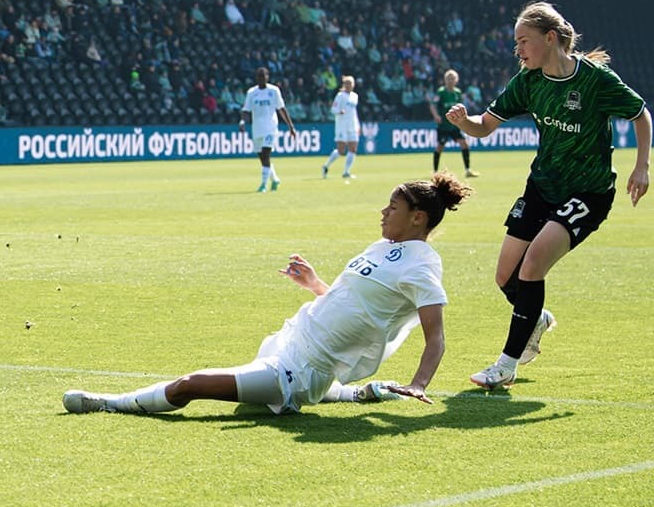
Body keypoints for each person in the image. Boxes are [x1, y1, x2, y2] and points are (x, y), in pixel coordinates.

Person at [64, 173, 473, 416]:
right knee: (238, 387)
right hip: (290, 338)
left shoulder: (422, 265)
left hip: (299, 370)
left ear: (418, 218)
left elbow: (435, 336)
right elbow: (353, 304)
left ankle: (109, 403)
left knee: (189, 386)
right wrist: (315, 284)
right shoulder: (382, 248)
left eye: (393, 207)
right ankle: (358, 392)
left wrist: (420, 384)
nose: (383, 212)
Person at [447, 1, 650, 390]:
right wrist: (464, 121)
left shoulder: (595, 80)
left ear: (550, 38)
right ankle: (536, 319)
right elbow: (485, 127)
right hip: (542, 188)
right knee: (505, 276)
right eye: (515, 42)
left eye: (523, 41)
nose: (517, 50)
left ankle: (506, 363)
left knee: (533, 263)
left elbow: (641, 114)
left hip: (588, 192)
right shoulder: (527, 81)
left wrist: (642, 167)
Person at [239, 67, 297, 192]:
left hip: (270, 127)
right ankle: (275, 179)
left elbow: (281, 108)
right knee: (262, 157)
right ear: (257, 78)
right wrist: (242, 121)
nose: (262, 79)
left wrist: (290, 126)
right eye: (260, 77)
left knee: (266, 153)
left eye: (264, 76)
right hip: (257, 128)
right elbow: (246, 110)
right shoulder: (252, 92)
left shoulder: (274, 91)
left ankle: (263, 185)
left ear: (267, 77)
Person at [429, 69, 479, 178]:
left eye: (452, 78)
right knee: (439, 147)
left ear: (456, 80)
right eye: (448, 78)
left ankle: (467, 170)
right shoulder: (441, 92)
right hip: (444, 125)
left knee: (464, 144)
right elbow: (432, 105)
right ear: (445, 80)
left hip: (455, 125)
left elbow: (461, 107)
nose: (450, 81)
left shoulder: (458, 93)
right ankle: (435, 172)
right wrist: (436, 116)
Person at [322, 75, 360, 180]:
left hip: (353, 126)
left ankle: (346, 172)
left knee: (353, 148)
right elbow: (333, 110)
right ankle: (326, 166)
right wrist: (339, 112)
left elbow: (354, 112)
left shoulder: (355, 96)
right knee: (341, 150)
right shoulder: (340, 96)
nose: (349, 86)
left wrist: (358, 125)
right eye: (347, 84)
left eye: (351, 84)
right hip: (342, 126)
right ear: (344, 85)